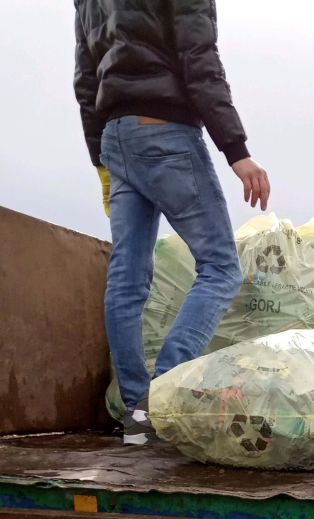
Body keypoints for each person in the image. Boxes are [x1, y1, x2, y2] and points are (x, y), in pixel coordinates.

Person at [73, 0, 269, 444]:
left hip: (115, 138)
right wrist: (236, 150)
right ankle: (164, 393)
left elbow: (86, 80)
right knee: (221, 267)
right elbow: (200, 59)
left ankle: (137, 414)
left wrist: (101, 161)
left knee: (126, 280)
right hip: (165, 132)